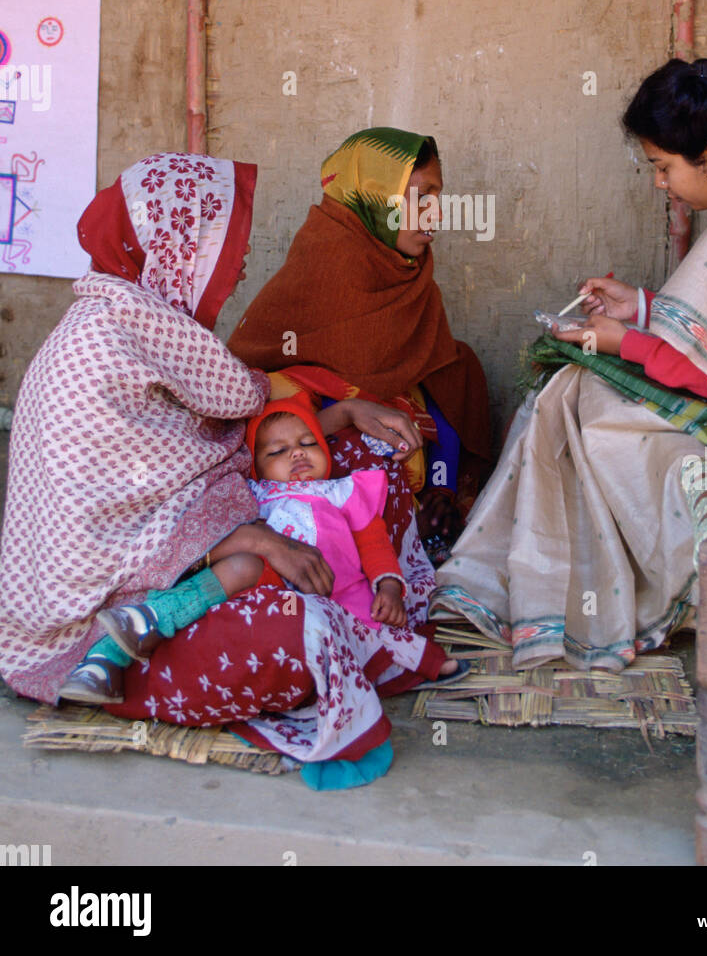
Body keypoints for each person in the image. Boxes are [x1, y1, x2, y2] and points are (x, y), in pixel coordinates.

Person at [432, 59, 707, 670]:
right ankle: (559, 583)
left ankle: (571, 592)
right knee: (581, 392)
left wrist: (621, 341)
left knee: (588, 408)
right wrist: (642, 310)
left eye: (663, 167)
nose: (660, 183)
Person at [0, 153, 433, 783]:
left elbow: (198, 445)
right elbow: (238, 402)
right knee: (297, 640)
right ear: (176, 248)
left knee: (340, 498)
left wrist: (334, 422)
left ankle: (147, 649)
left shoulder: (105, 313)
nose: (241, 269)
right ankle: (110, 662)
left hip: (101, 591)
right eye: (224, 252)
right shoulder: (134, 320)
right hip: (82, 616)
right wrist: (260, 530)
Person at [71, 396, 466, 699]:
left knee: (385, 631)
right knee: (242, 565)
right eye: (276, 452)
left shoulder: (341, 492)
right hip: (269, 591)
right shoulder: (252, 495)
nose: (296, 453)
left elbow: (374, 542)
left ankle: (429, 664)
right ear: (256, 466)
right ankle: (145, 622)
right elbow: (209, 532)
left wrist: (390, 587)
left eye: (308, 443)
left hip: (340, 593)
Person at [228, 128, 492, 560]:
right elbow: (258, 413)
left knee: (456, 368)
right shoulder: (327, 266)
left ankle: (424, 516)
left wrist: (441, 488)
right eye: (418, 197)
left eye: (437, 197)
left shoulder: (410, 278)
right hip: (316, 480)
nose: (435, 216)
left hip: (413, 470)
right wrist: (348, 410)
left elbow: (436, 393)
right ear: (371, 197)